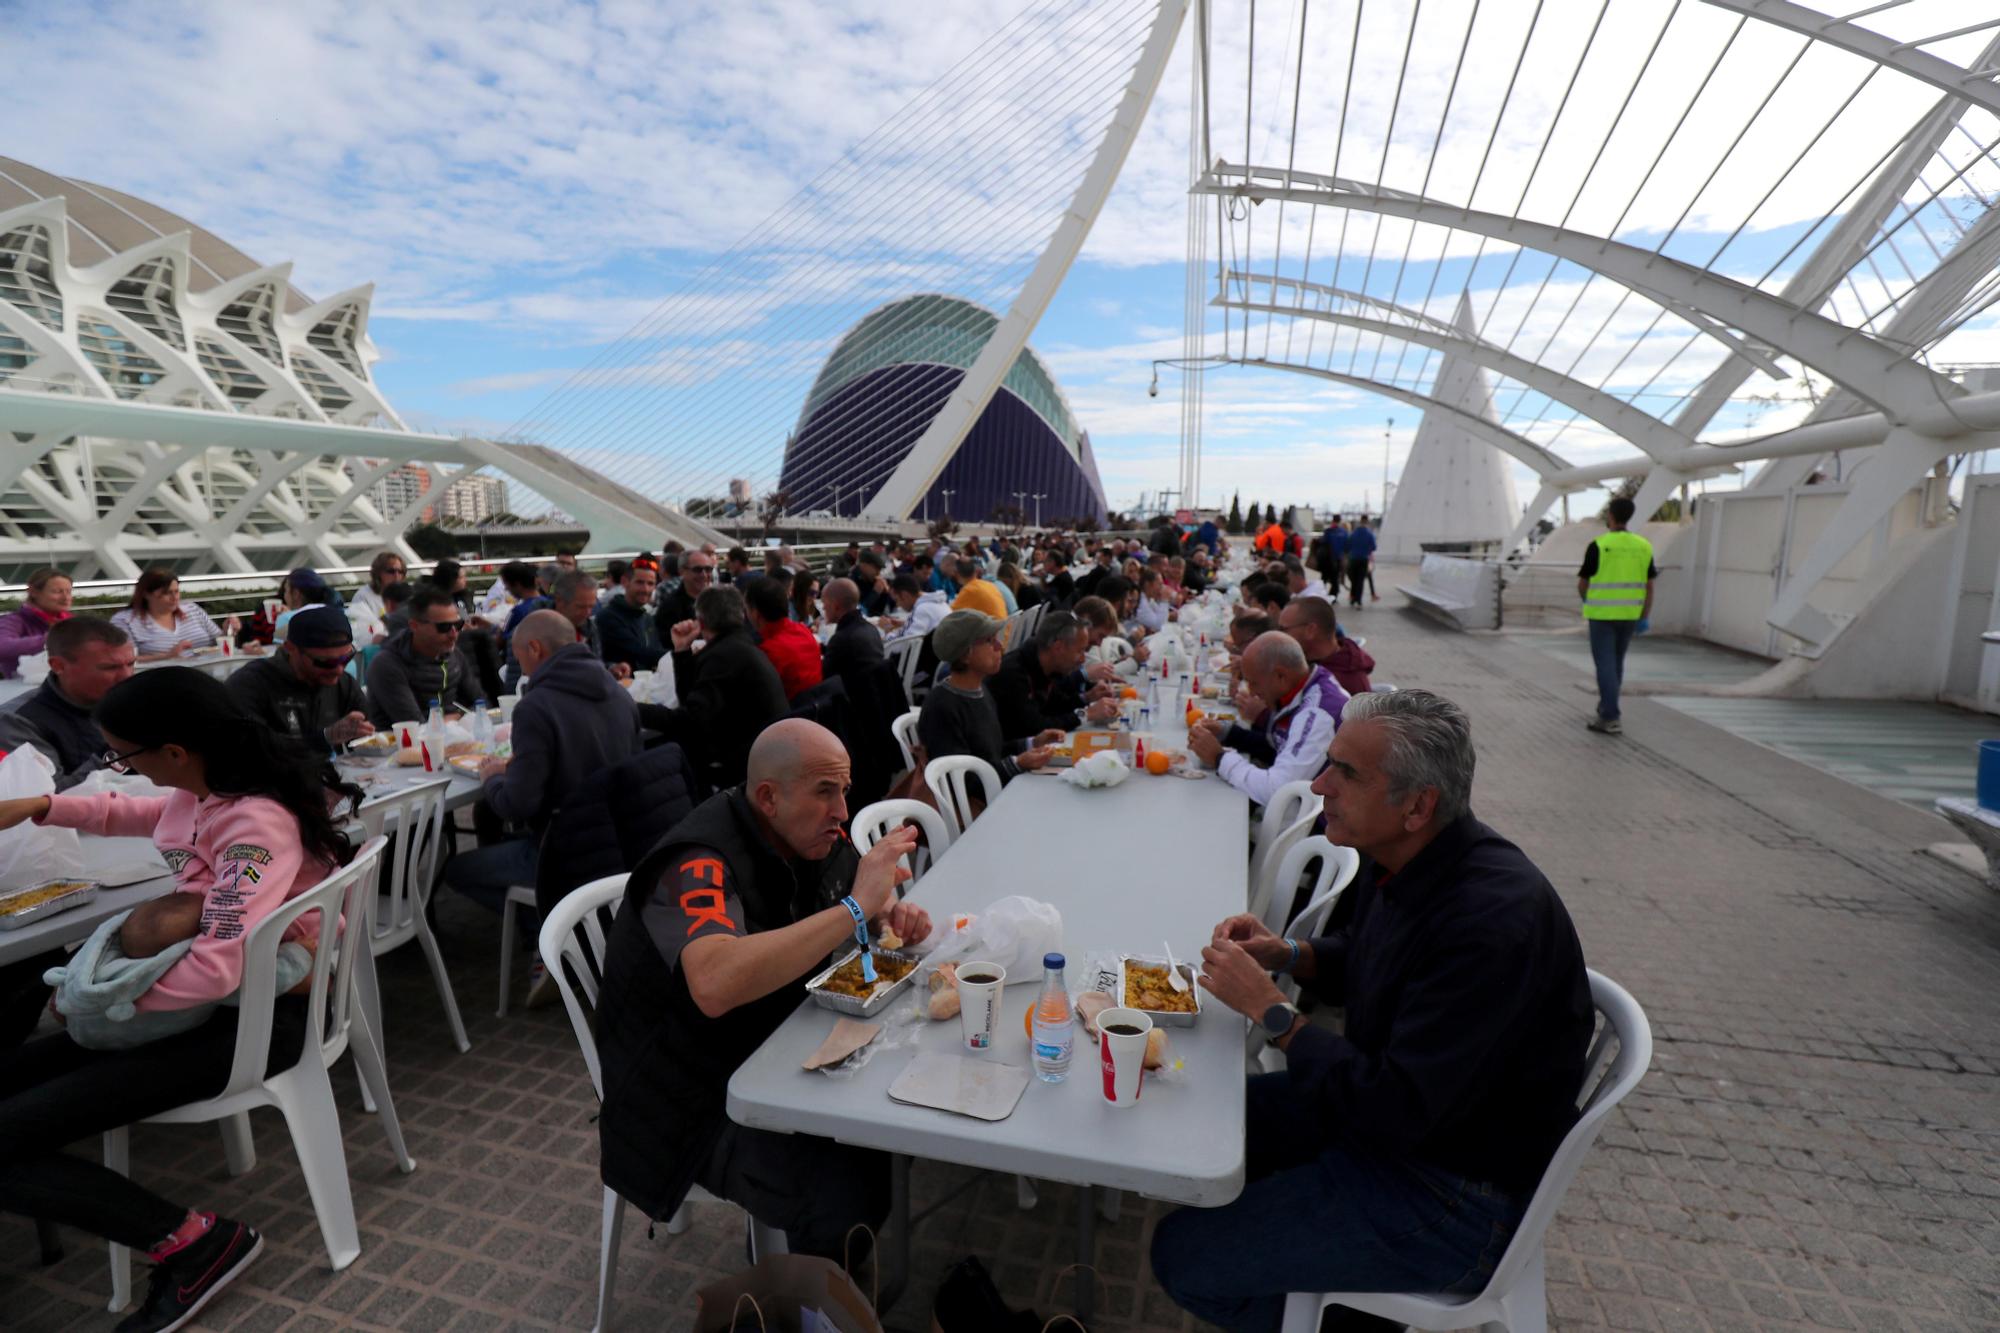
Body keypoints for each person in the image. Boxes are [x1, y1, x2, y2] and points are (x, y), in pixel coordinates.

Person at [1154, 690, 1594, 1332]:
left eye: (1347, 774)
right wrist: (1290, 953)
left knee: (1181, 1256)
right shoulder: (1416, 859)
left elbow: (1395, 1106)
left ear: (1418, 805)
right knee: (1198, 1115)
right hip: (1400, 1123)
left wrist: (1272, 1010)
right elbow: (1368, 952)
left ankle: (1343, 1314)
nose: (1320, 784)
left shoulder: (1490, 921)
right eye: (1327, 763)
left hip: (1453, 1191)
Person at [0, 668, 365, 1331]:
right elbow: (133, 811)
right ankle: (191, 1239)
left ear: (173, 752)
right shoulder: (205, 792)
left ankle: (194, 1241)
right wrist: (41, 806)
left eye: (122, 754)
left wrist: (96, 1008)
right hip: (210, 1003)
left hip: (249, 1021)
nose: (117, 765)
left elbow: (218, 967)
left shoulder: (252, 830)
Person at [595, 720, 928, 1258]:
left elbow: (856, 889)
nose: (842, 810)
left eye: (844, 790)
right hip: (681, 1104)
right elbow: (714, 983)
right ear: (769, 797)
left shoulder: (808, 829)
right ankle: (798, 1304)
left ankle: (826, 1285)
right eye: (826, 791)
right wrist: (856, 909)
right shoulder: (696, 861)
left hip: (762, 1050)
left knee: (893, 1129)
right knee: (845, 1189)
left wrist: (892, 908)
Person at [448, 610, 641, 916]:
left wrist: (492, 777)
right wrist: (517, 768)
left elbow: (516, 805)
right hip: (624, 841)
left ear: (535, 649)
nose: (518, 664)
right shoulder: (619, 693)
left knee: (456, 870)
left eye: (517, 655)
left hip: (566, 849)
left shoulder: (536, 707)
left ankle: (547, 931)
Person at [639, 587, 788, 790]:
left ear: (701, 622)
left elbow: (689, 721)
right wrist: (682, 651)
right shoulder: (739, 647)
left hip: (741, 769)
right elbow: (692, 704)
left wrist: (631, 708)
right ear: (742, 615)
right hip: (767, 756)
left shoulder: (723, 656)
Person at [1188, 632, 1346, 805]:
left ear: (1280, 675)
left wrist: (1219, 758)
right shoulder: (1303, 685)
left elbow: (1276, 791)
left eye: (1253, 683)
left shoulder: (1317, 714)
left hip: (1316, 822)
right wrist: (1229, 733)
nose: (1251, 691)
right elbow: (1278, 747)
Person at [916, 611, 1060, 799]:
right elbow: (961, 781)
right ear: (965, 654)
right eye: (989, 641)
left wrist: (1032, 742)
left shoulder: (981, 691)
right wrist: (1017, 763)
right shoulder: (942, 707)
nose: (1000, 646)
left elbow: (992, 752)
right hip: (974, 809)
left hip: (994, 793)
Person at [0, 616, 135, 789]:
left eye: (131, 664)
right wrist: (121, 751)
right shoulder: (18, 721)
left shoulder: (133, 699)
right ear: (58, 666)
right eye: (109, 668)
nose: (126, 677)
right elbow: (47, 800)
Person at [226, 606, 373, 752]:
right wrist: (325, 738)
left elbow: (373, 738)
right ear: (291, 648)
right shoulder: (251, 685)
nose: (339, 670)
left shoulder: (344, 684)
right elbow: (250, 753)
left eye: (346, 658)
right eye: (325, 662)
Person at [1579, 495, 1657, 736]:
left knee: (1605, 665)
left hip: (1602, 616)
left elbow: (1583, 583)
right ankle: (1606, 706)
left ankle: (1610, 716)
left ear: (1610, 516)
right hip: (1630, 616)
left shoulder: (1599, 545)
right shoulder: (1644, 546)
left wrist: (1588, 601)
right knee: (1616, 664)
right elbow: (1650, 586)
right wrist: (1644, 615)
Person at [989, 611, 1119, 739]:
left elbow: (1056, 706)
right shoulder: (1014, 675)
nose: (1083, 659)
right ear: (1058, 648)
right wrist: (1086, 714)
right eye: (1080, 651)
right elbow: (1034, 727)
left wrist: (1087, 697)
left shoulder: (1046, 666)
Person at [365, 586, 483, 727]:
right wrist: (460, 716)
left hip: (455, 736)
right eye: (443, 627)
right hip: (404, 746)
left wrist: (457, 718)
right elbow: (414, 725)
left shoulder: (453, 655)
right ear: (415, 626)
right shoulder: (387, 665)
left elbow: (481, 704)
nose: (453, 634)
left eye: (458, 625)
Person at [112, 568, 227, 661]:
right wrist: (167, 656)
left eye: (176, 592)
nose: (174, 598)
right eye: (166, 593)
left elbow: (219, 641)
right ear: (146, 594)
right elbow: (124, 660)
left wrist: (228, 631)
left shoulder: (192, 610)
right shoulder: (125, 621)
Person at [1279, 596, 1376, 697]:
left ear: (1310, 630)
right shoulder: (1307, 662)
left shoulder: (1347, 685)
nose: (1278, 635)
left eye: (1283, 629)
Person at [745, 577, 822, 702]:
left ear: (754, 613)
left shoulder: (768, 652)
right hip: (813, 711)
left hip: (790, 715)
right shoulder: (804, 631)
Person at [0, 567, 73, 678]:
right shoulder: (14, 620)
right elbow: (3, 648)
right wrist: (52, 639)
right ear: (33, 592)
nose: (66, 597)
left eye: (68, 591)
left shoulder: (71, 621)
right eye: (57, 591)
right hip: (23, 688)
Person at [596, 559, 664, 671]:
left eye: (650, 584)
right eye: (639, 582)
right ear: (624, 582)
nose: (645, 589)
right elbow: (639, 652)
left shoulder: (646, 617)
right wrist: (681, 653)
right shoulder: (608, 617)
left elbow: (656, 650)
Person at [819, 577, 885, 687]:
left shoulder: (842, 639)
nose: (824, 608)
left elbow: (824, 677)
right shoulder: (871, 630)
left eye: (824, 604)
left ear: (835, 606)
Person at [345, 551, 408, 632]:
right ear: (378, 573)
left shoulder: (404, 595)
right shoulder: (362, 596)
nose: (397, 575)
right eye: (391, 571)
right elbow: (360, 630)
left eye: (401, 572)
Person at [880, 573, 948, 644]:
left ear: (905, 595)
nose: (898, 605)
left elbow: (901, 645)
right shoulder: (940, 603)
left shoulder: (922, 609)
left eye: (896, 600)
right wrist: (905, 624)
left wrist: (887, 629)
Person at [657, 547, 715, 626]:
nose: (704, 575)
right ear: (682, 571)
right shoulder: (670, 608)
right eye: (697, 570)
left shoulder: (720, 602)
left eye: (708, 569)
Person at [1346, 518, 1378, 608]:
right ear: (1367, 522)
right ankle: (1358, 600)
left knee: (1354, 579)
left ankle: (1352, 597)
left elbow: (1348, 545)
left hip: (1353, 559)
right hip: (1364, 559)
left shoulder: (1353, 533)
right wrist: (1366, 551)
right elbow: (1374, 547)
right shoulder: (1369, 534)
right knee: (1360, 580)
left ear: (1360, 522)